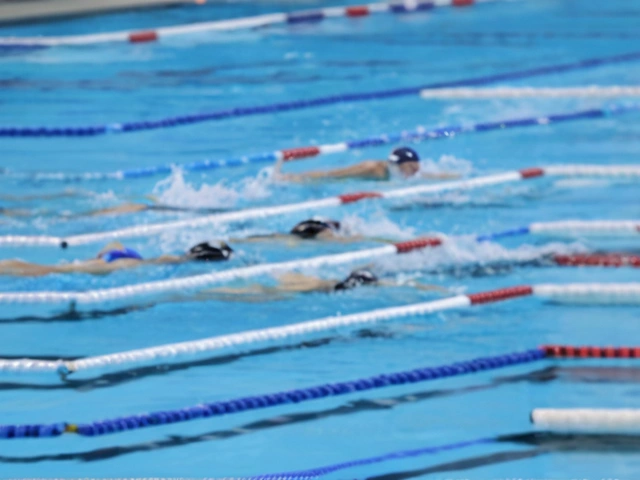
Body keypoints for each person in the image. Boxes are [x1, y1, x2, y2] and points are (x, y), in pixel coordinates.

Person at [194, 268, 448, 302]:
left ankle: (204, 293)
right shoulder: (358, 282)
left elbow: (404, 283)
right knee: (263, 293)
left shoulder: (363, 280)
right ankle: (203, 294)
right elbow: (404, 284)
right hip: (302, 287)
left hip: (303, 282)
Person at [0, 241, 233, 277]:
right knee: (48, 270)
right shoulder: (174, 261)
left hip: (120, 254)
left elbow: (114, 244)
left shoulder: (170, 256)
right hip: (122, 262)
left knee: (49, 268)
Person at [274, 146, 461, 183]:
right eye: (411, 168)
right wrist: (295, 179)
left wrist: (453, 177)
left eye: (416, 167)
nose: (415, 171)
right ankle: (288, 176)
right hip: (342, 178)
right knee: (330, 176)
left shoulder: (404, 170)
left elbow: (425, 175)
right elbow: (333, 174)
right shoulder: (371, 168)